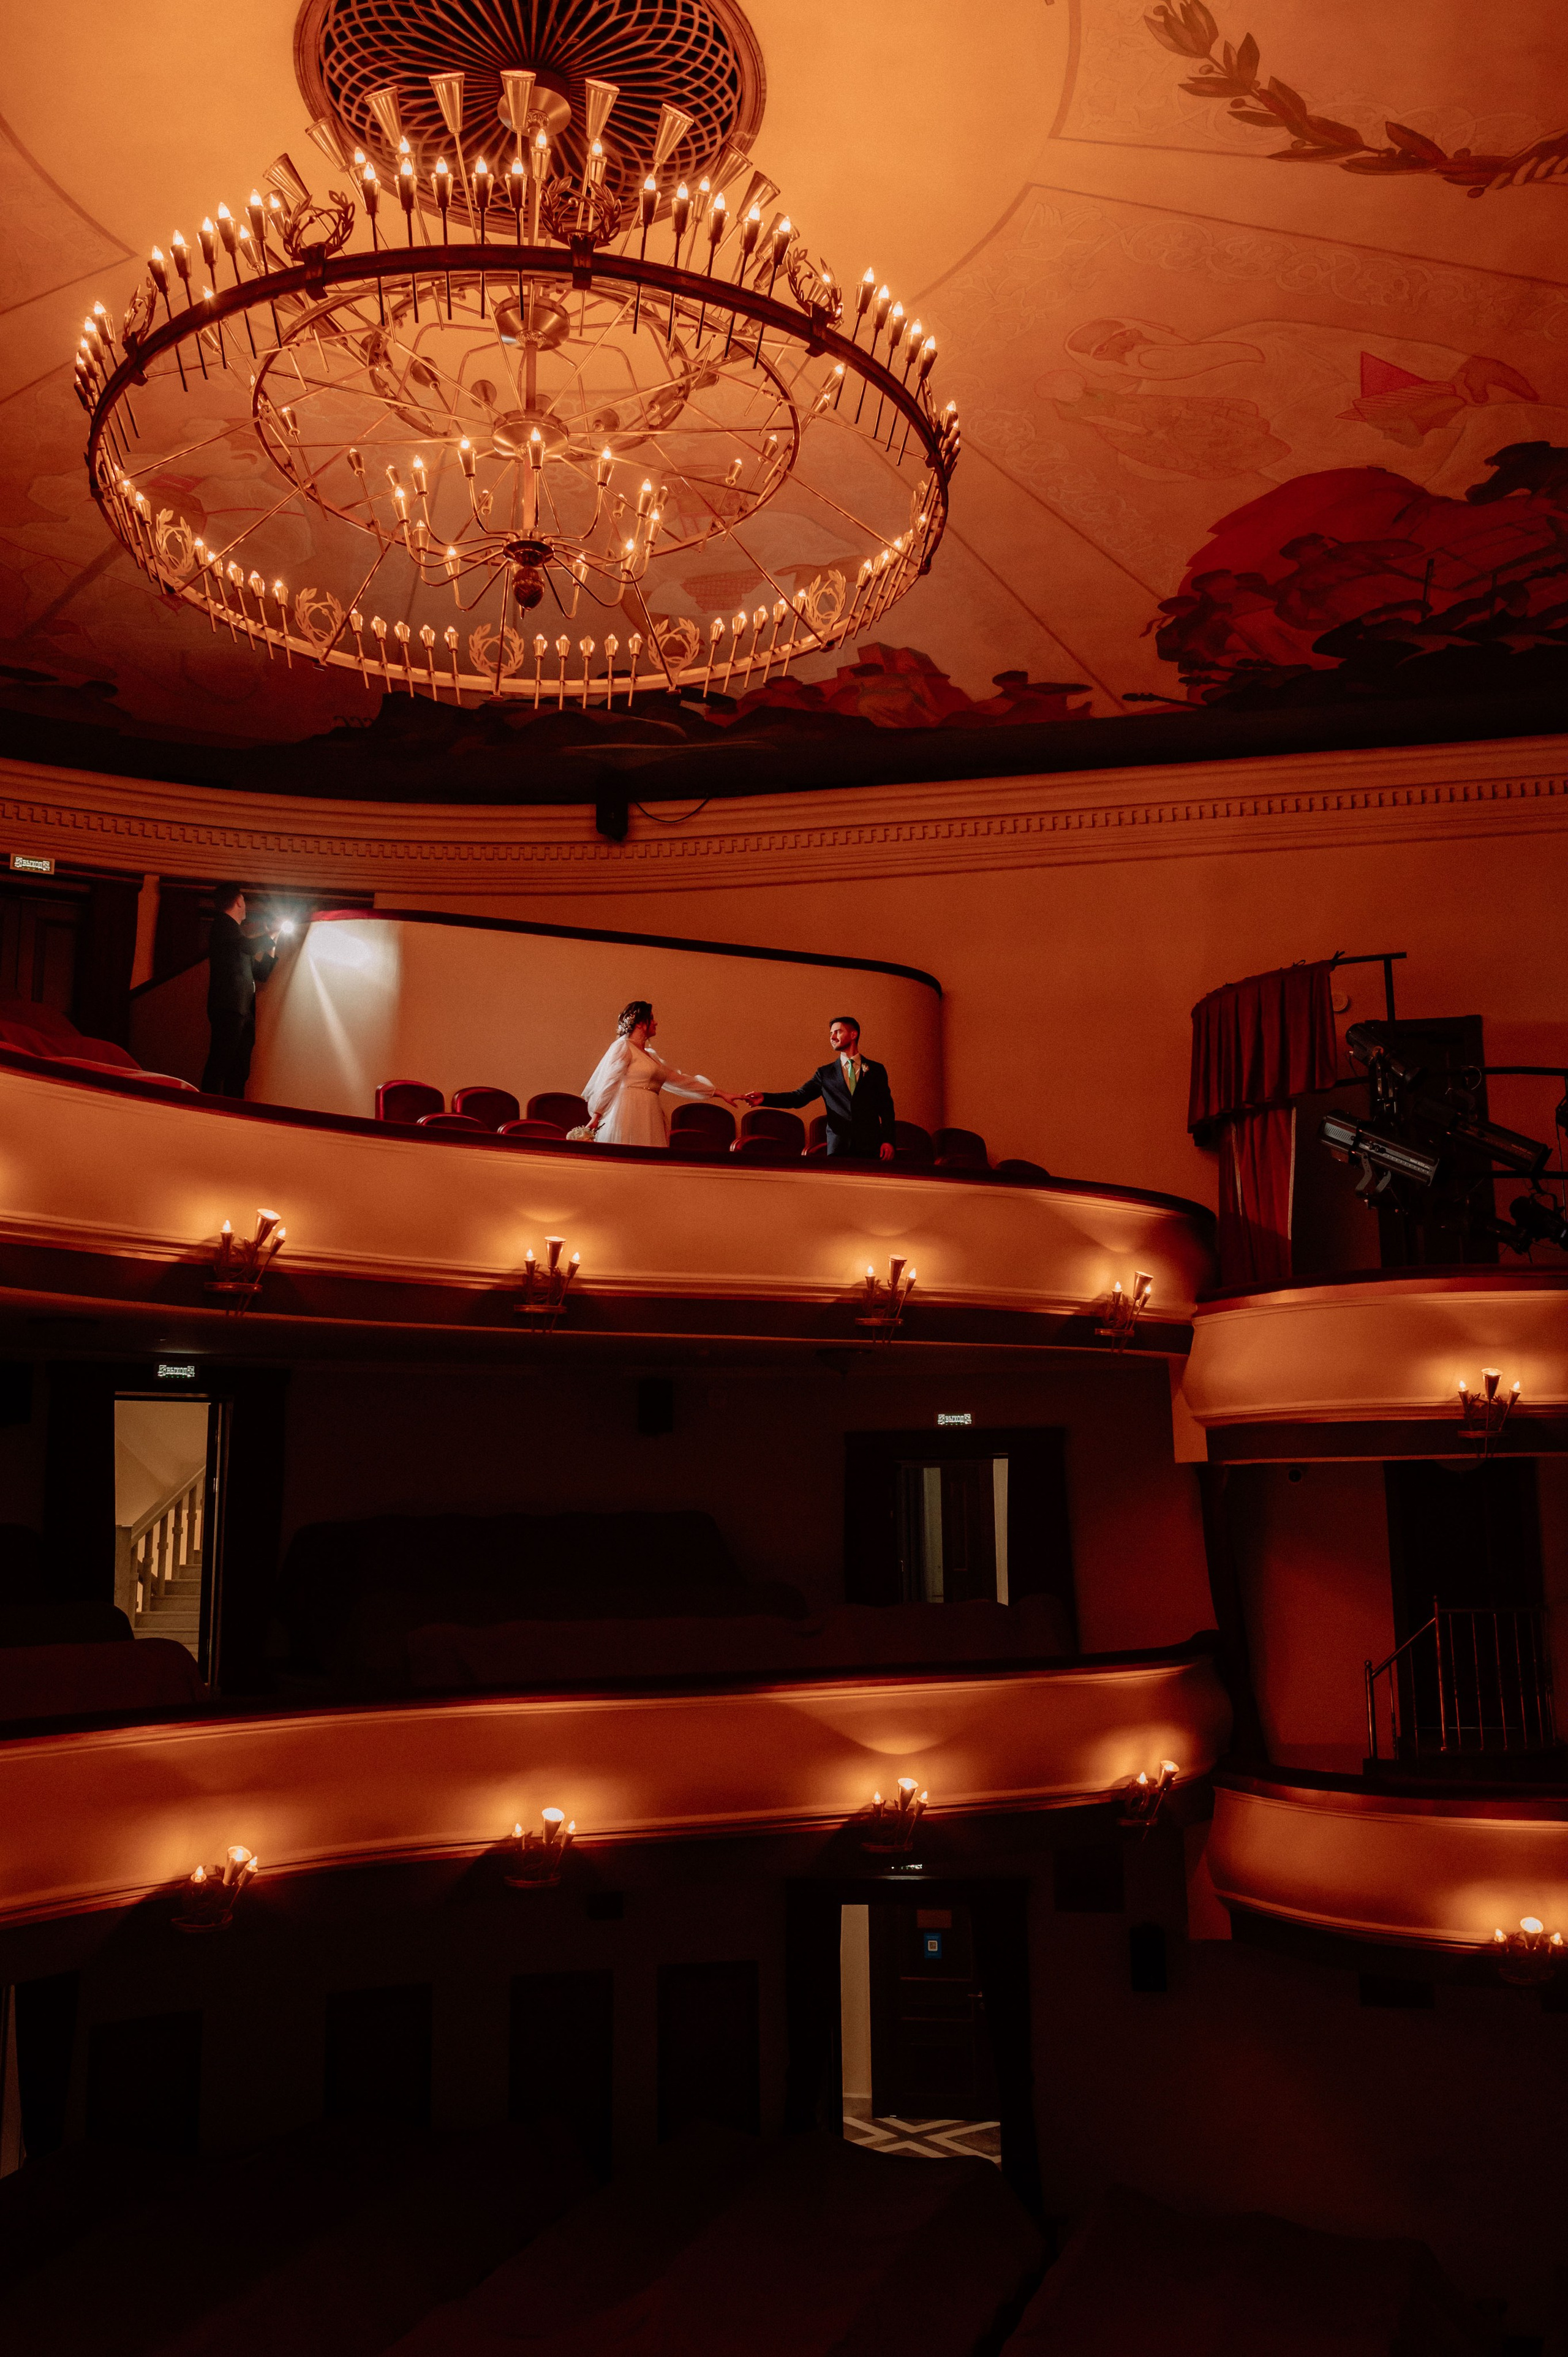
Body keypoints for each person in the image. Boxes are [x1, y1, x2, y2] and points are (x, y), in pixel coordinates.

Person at [582, 1000, 736, 1147]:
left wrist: (720, 1093)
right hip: (628, 1110)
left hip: (650, 1112)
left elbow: (680, 1080)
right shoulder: (624, 1047)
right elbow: (610, 1081)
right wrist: (597, 1116)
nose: (655, 1023)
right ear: (640, 1023)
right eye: (651, 1018)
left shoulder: (652, 1057)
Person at [745, 1016, 896, 1160]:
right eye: (831, 1034)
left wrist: (888, 1141)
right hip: (839, 1149)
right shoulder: (825, 1073)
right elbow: (798, 1097)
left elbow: (887, 1109)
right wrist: (765, 1098)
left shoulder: (876, 1070)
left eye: (838, 1032)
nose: (832, 1037)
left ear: (853, 1035)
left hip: (871, 1147)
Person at [201, 884, 279, 1098]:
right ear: (239, 901)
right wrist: (271, 933)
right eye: (244, 900)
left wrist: (274, 940)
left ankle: (233, 1108)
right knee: (220, 1062)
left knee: (240, 1070)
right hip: (229, 1008)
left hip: (244, 1010)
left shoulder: (237, 939)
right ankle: (205, 1106)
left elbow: (261, 973)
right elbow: (247, 946)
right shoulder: (222, 925)